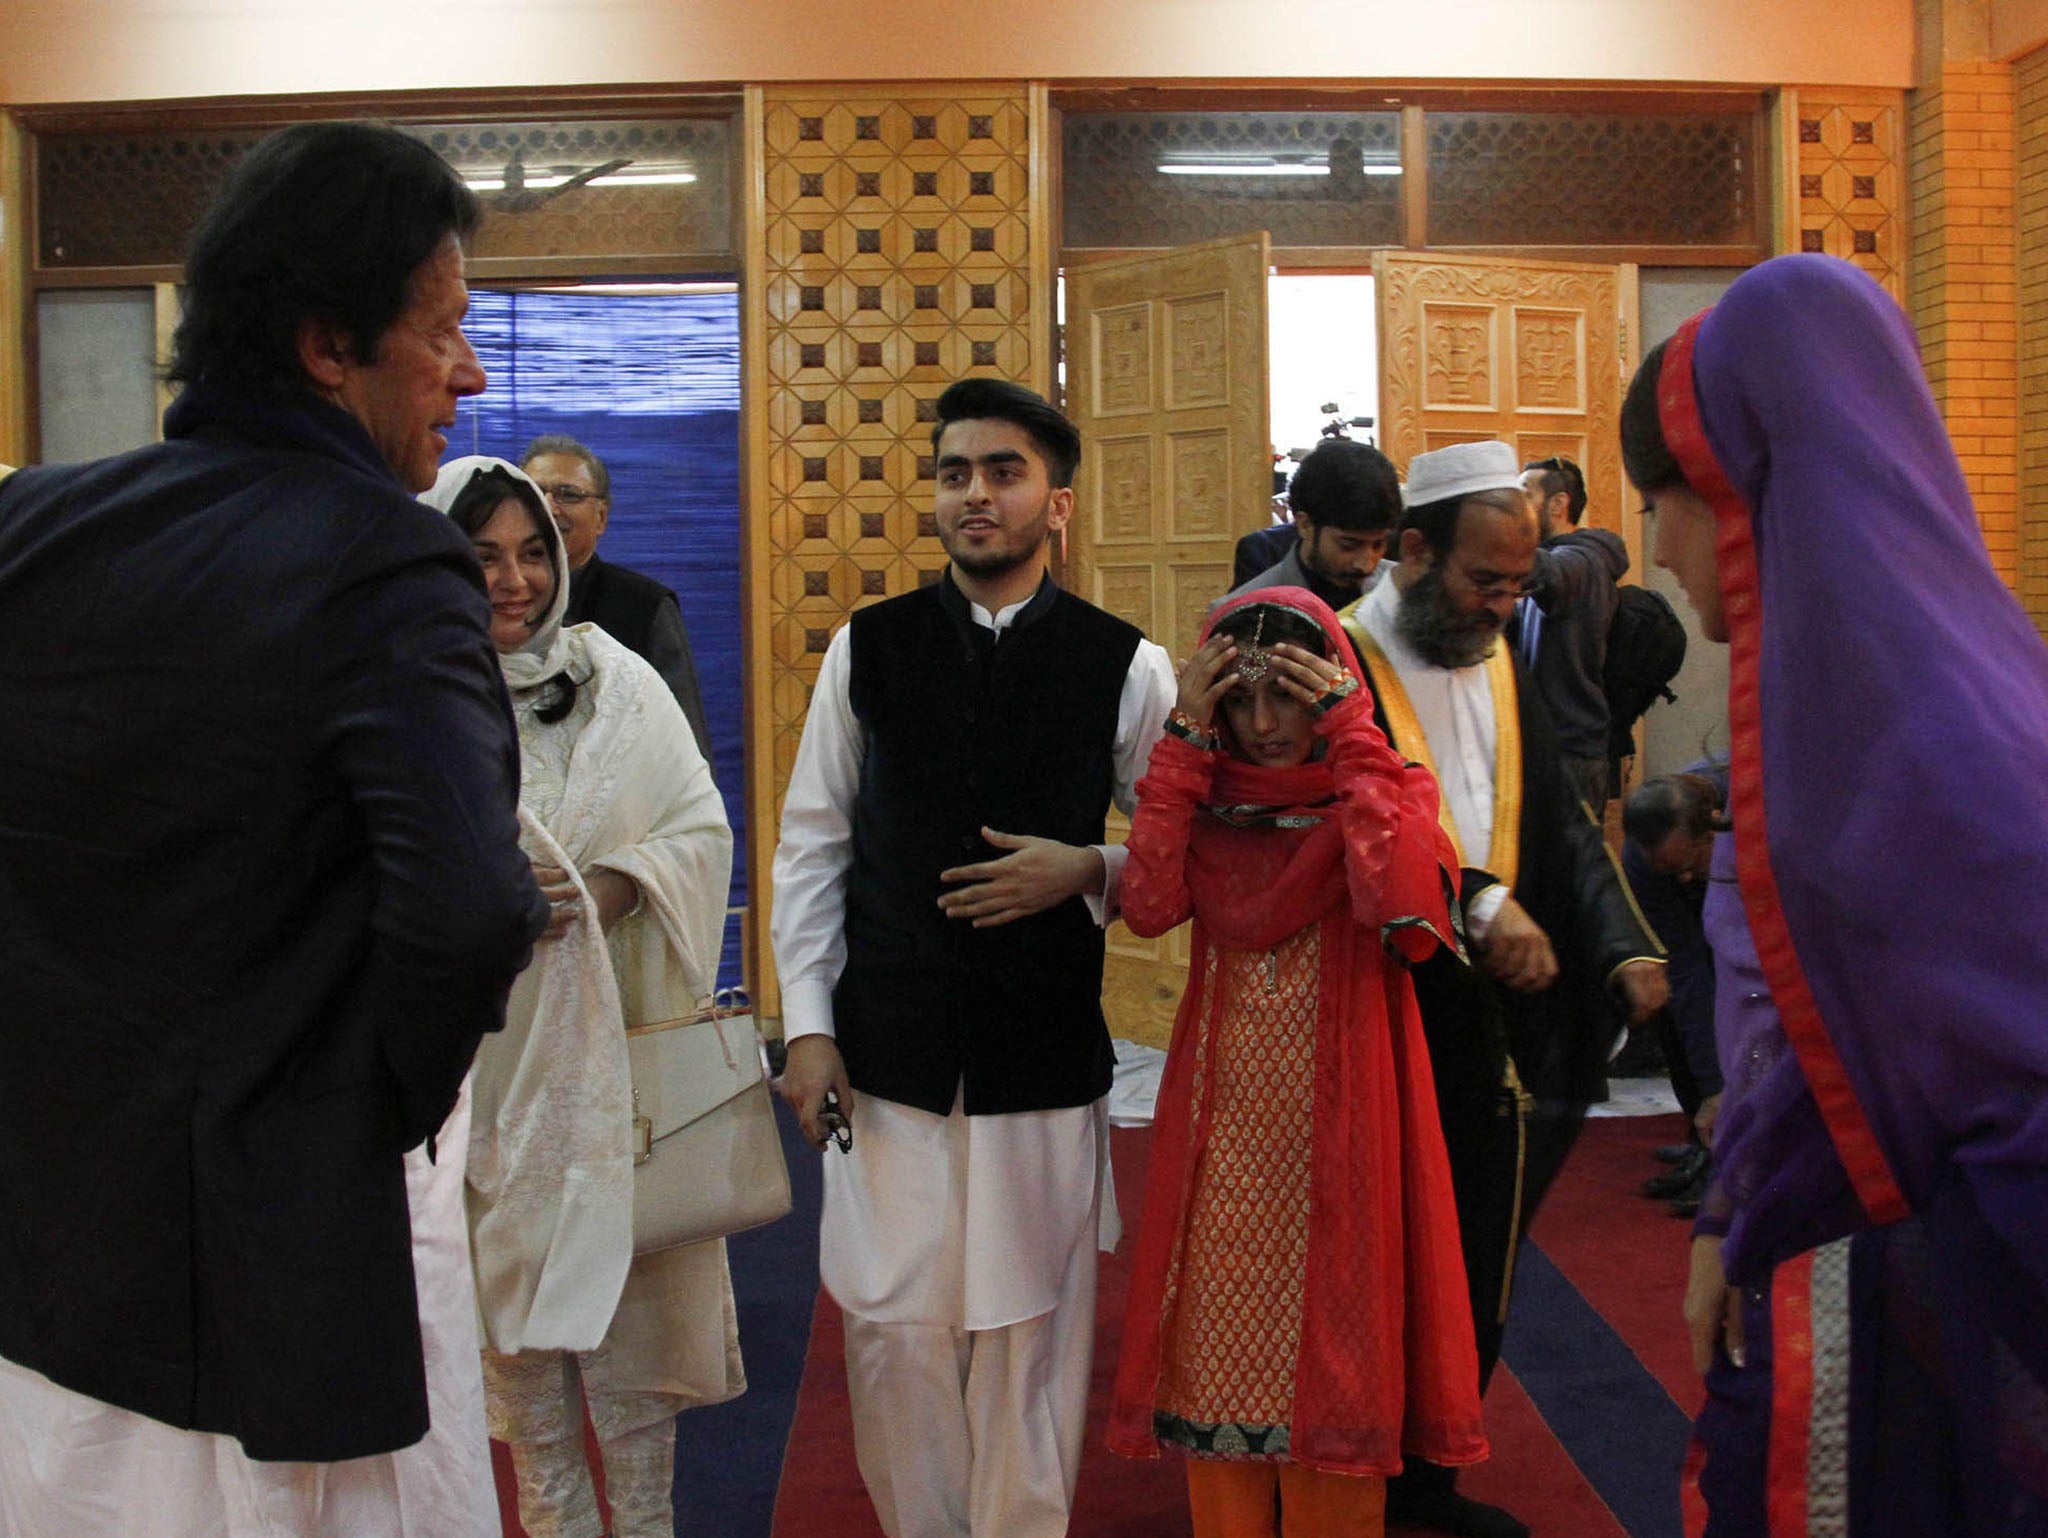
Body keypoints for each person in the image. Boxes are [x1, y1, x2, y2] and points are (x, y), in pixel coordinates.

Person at [0, 123, 546, 1536]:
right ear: (327, 347)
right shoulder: (382, 554)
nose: (471, 376)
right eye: (446, 334)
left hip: (46, 1233)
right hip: (277, 1255)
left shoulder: (31, 528)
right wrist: (366, 1110)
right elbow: (473, 905)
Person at [1622, 253, 2048, 1535]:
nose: (1655, 547)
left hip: (1918, 1338)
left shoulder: (1929, 748)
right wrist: (1731, 1204)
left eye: (1666, 498)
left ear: (1746, 489)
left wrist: (1809, 1236)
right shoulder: (1862, 715)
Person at [770, 377, 1176, 1538]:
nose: (974, 495)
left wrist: (1085, 869)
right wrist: (807, 1026)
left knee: (1029, 1338)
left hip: (1038, 1056)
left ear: (1058, 502)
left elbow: (1169, 850)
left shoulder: (1124, 663)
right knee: (892, 1332)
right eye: (955, 473)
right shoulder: (869, 647)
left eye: (1002, 472)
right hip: (887, 1049)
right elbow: (810, 846)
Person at [1337, 439, 1668, 1538]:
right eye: (1485, 579)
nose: (1503, 602)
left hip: (1500, 1016)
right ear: (1413, 551)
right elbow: (1347, 827)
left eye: (1520, 583)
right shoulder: (1333, 653)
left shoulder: (1491, 650)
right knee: (1380, 1261)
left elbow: (1559, 821)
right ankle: (1353, 1479)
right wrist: (1476, 900)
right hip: (1381, 1006)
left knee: (1477, 1248)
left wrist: (1621, 940)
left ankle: (1425, 1481)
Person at [1107, 588, 1487, 1538]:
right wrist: (1185, 743)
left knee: (1340, 1377)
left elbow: (1400, 912)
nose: (1267, 724)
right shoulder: (1205, 803)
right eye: (1241, 698)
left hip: (1346, 1129)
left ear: (1334, 694)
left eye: (1291, 695)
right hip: (1223, 1133)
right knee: (1217, 1372)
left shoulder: (1384, 791)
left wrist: (1357, 739)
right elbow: (1148, 906)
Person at [426, 456, 738, 1538]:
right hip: (479, 1067)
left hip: (618, 1063)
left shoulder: (619, 677)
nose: (510, 580)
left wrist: (611, 887)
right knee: (520, 1364)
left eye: (529, 553)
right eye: (479, 558)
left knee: (633, 1348)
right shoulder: (407, 692)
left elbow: (701, 830)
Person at [521, 434, 716, 770]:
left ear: (601, 517)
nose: (549, 507)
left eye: (568, 494)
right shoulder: (495, 601)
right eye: (535, 494)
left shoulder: (645, 606)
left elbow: (685, 744)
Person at [1620, 768, 1730, 1216]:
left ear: (1715, 824)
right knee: (1671, 995)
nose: (1684, 879)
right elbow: (1684, 972)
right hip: (1689, 944)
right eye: (1671, 871)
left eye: (1690, 865)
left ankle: (1736, 1155)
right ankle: (1703, 1137)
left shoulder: (1750, 808)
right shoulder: (1641, 860)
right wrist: (1710, 1089)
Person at [1511, 454, 1629, 813]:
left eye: (1524, 495)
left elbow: (1551, 574)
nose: (1514, 508)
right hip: (1545, 745)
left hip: (1571, 753)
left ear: (1558, 504)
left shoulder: (1583, 561)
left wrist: (1485, 534)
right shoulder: (1555, 556)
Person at [1224, 437, 1402, 611]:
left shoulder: (1404, 594)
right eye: (1349, 545)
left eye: (1378, 545)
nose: (1366, 564)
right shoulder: (1248, 610)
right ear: (1305, 526)